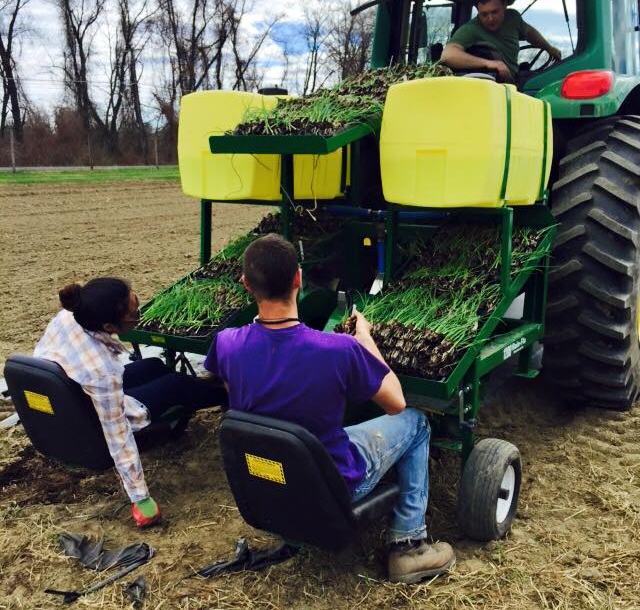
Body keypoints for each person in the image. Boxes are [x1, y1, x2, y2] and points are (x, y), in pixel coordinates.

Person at [204, 234, 455, 584]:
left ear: (246, 284)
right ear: (298, 279)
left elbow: (239, 398)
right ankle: (409, 545)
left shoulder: (225, 344)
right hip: (330, 484)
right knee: (416, 422)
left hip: (267, 480)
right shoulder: (338, 350)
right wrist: (365, 341)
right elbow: (396, 402)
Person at [34, 278, 227, 528]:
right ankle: (228, 394)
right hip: (91, 413)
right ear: (107, 325)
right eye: (133, 313)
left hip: (72, 392)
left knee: (153, 365)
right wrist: (140, 498)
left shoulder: (71, 316)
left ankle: (206, 388)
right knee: (175, 385)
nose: (138, 314)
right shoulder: (103, 372)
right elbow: (117, 434)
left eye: (134, 299)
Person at [441, 0, 562, 83]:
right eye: (484, 14)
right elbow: (448, 55)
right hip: (493, 84)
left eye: (495, 12)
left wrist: (549, 48)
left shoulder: (513, 17)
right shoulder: (471, 29)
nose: (490, 18)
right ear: (477, 10)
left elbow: (529, 33)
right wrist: (489, 63)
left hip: (516, 80)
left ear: (505, 5)